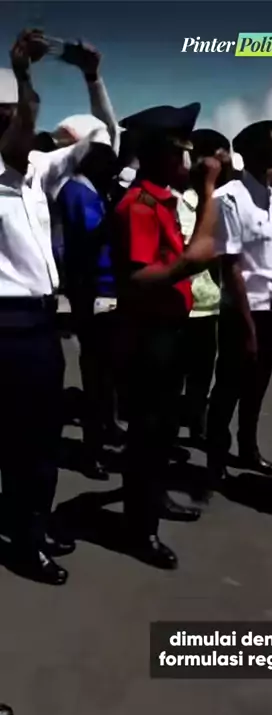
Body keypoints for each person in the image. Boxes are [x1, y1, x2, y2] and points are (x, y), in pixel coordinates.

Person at [0, 31, 111, 584]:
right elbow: (25, 124)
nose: (17, 120)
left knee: (40, 437)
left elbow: (105, 140)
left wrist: (92, 78)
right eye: (6, 116)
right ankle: (24, 541)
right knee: (20, 439)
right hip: (7, 323)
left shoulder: (38, 171)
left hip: (42, 320)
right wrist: (24, 77)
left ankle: (30, 525)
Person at [114, 103, 220, 569]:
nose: (188, 162)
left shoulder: (161, 199)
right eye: (181, 153)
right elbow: (139, 277)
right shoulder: (139, 205)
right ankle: (140, 529)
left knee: (162, 430)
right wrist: (186, 264)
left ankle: (153, 499)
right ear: (161, 154)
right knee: (147, 433)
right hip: (149, 334)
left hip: (170, 329)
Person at [206, 120, 272, 484]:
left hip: (269, 309)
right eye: (270, 148)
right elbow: (232, 266)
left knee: (257, 387)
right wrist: (248, 326)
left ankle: (248, 448)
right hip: (242, 311)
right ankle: (215, 459)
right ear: (248, 152)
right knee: (228, 388)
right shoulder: (229, 197)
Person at [58, 134, 120, 478]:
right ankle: (92, 450)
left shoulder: (92, 191)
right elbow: (90, 237)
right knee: (96, 373)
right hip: (91, 290)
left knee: (106, 371)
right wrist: (116, 216)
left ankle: (105, 429)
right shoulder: (77, 192)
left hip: (104, 288)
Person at [179, 129, 231, 444]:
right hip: (185, 303)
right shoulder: (185, 201)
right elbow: (193, 248)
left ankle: (197, 423)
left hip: (210, 303)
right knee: (175, 374)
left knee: (202, 374)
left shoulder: (221, 200)